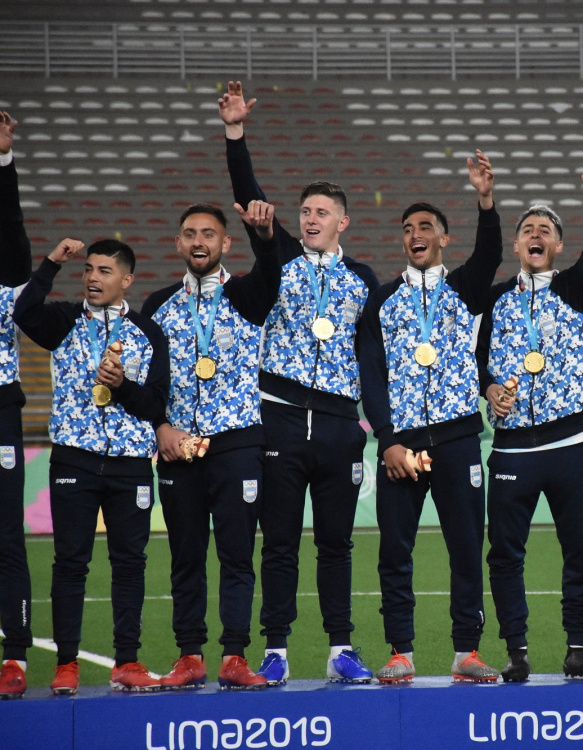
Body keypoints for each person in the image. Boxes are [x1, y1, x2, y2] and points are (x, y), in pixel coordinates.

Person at [219, 81, 379, 685]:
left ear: (342, 222)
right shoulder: (281, 257)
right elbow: (252, 203)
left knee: (336, 544)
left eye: (321, 213)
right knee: (280, 542)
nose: (311, 219)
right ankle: (277, 650)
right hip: (281, 418)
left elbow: (373, 357)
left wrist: (378, 426)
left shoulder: (364, 279)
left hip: (339, 424)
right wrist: (236, 133)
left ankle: (341, 648)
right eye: (305, 211)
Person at [359, 150, 502, 683]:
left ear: (443, 237)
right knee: (394, 553)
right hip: (402, 447)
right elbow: (372, 376)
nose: (414, 234)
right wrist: (387, 440)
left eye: (424, 227)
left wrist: (485, 200)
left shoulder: (463, 289)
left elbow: (490, 253)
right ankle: (401, 652)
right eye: (407, 229)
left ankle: (467, 652)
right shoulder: (382, 300)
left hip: (459, 440)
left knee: (466, 550)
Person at [478, 163, 583, 682]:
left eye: (546, 230)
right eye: (527, 230)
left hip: (570, 445)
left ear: (558, 246)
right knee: (504, 556)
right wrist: (489, 387)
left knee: (579, 553)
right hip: (511, 448)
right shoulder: (493, 299)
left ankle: (577, 648)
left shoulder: (576, 289)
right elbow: (475, 361)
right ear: (516, 245)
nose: (535, 235)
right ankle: (516, 651)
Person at [14, 237, 169, 695]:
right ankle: (66, 663)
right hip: (73, 460)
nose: (92, 278)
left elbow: (156, 405)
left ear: (127, 280)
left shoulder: (148, 333)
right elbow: (23, 312)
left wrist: (122, 386)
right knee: (70, 563)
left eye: (104, 271)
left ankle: (127, 661)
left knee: (130, 565)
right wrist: (51, 264)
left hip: (131, 465)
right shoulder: (63, 320)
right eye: (88, 269)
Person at [142, 201, 281, 690]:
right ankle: (190, 656)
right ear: (178, 243)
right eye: (190, 233)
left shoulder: (247, 294)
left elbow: (271, 268)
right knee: (186, 557)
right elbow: (148, 381)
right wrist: (160, 427)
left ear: (225, 243)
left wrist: (265, 236)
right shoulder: (157, 305)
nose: (198, 241)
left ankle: (235, 656)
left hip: (237, 444)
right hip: (178, 448)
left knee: (237, 556)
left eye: (208, 233)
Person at [0, 110, 33, 699]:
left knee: (6, 538)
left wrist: (3, 160)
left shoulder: (6, 281)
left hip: (0, 412)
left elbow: (11, 227)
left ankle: (15, 656)